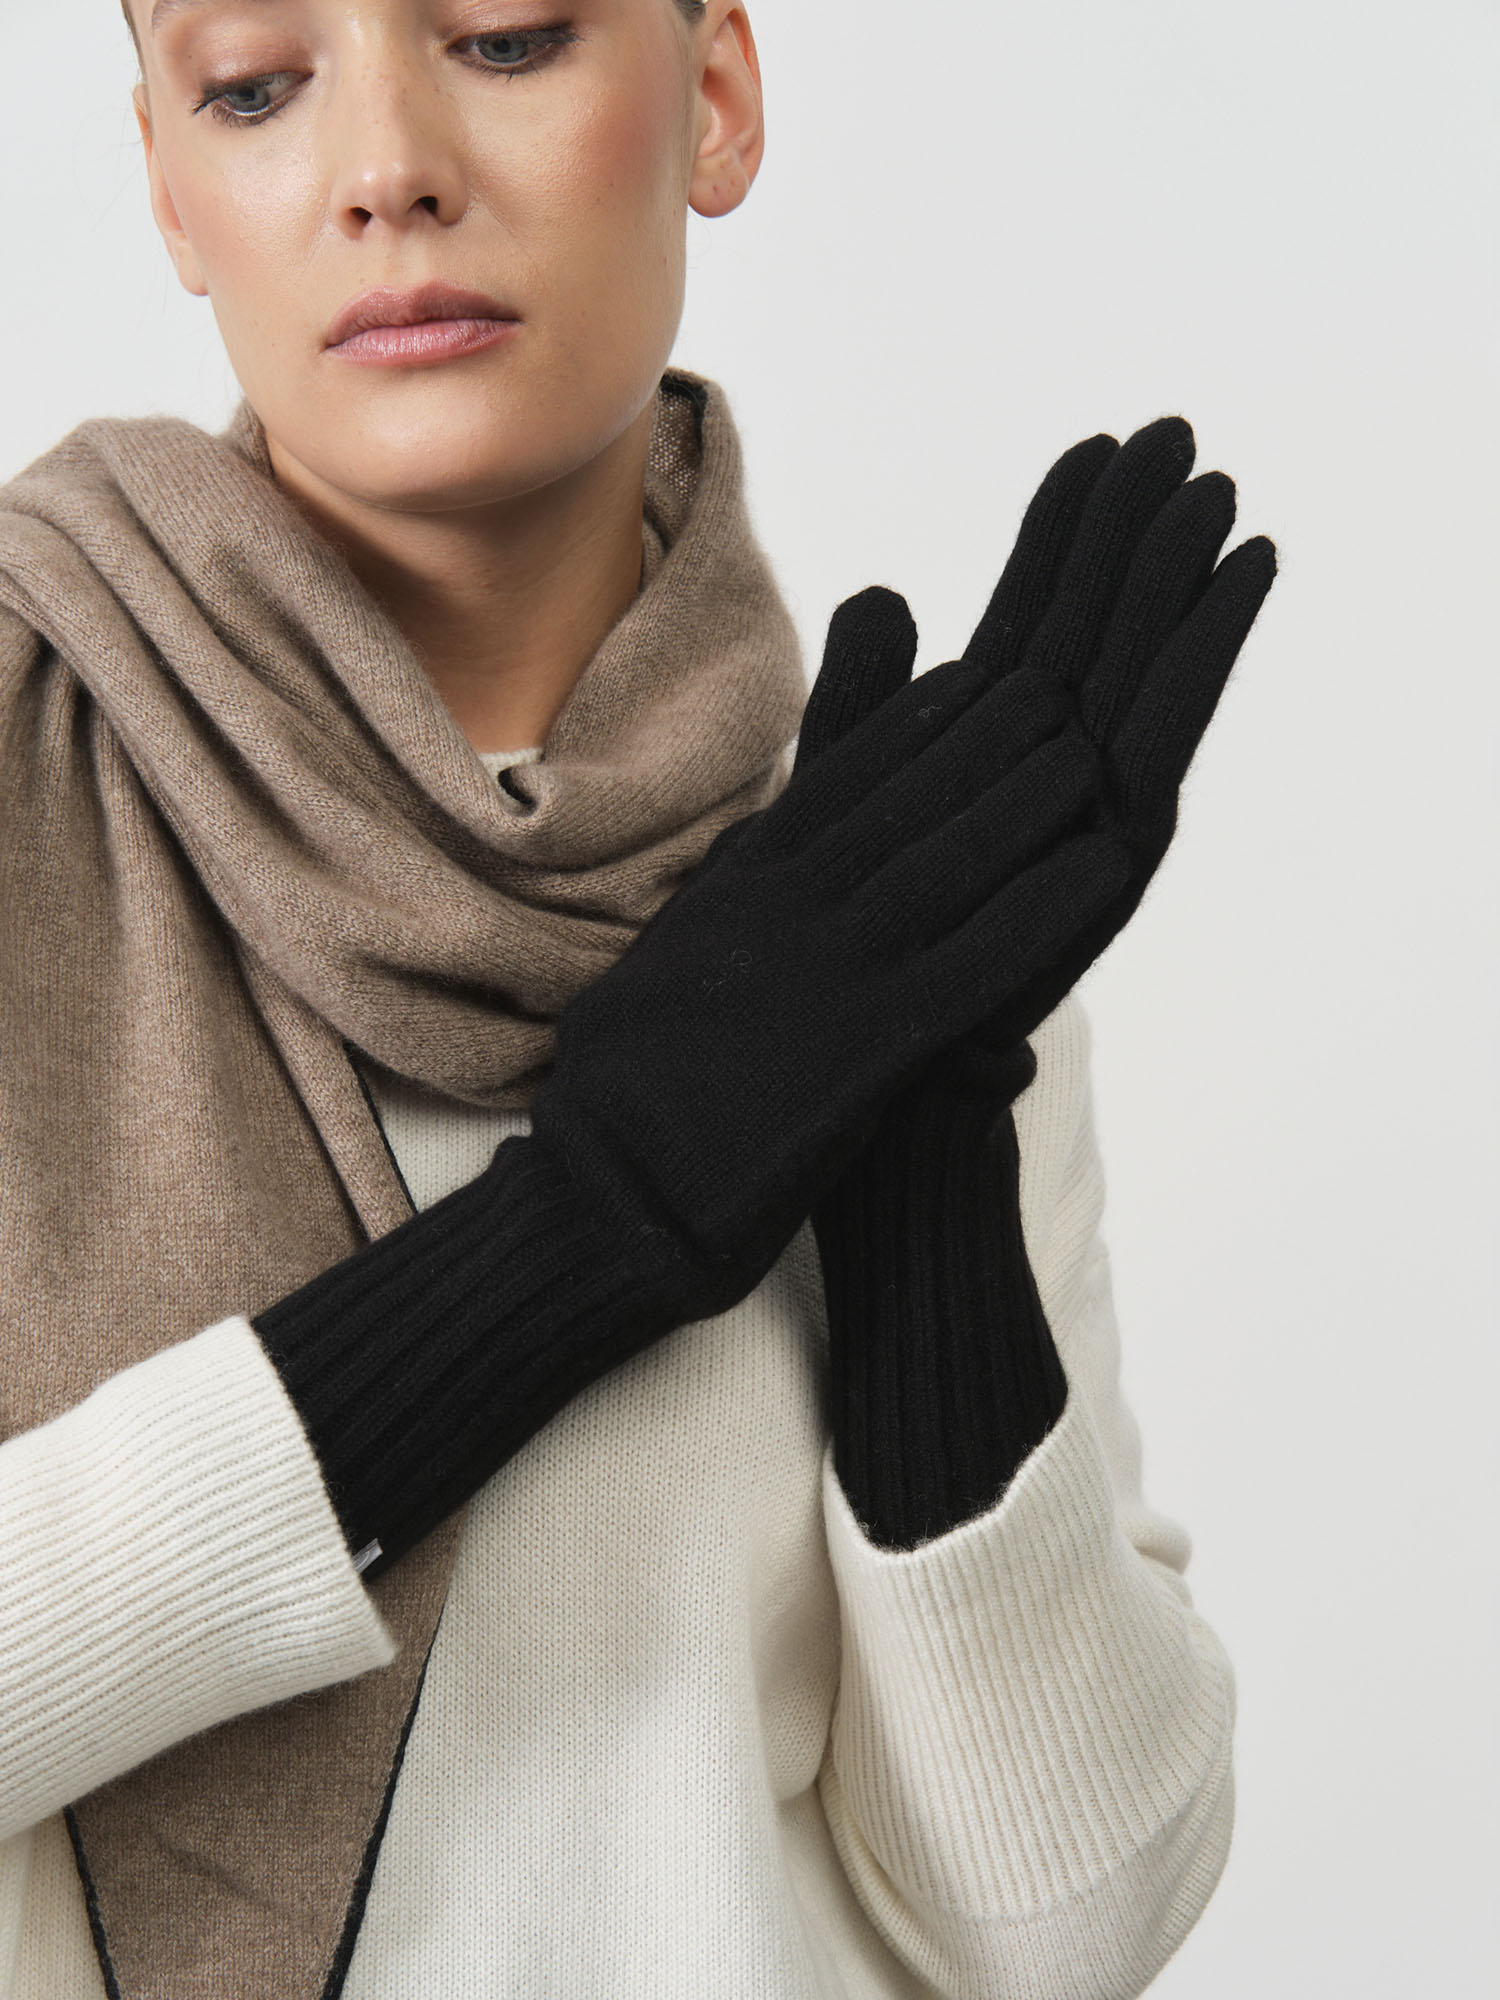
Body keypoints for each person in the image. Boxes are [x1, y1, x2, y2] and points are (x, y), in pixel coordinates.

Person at [0, 2, 1277, 1995]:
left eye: (505, 38)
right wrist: (578, 1240)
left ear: (717, 98)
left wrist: (922, 1184)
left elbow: (1063, 1927)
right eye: (255, 85)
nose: (387, 168)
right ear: (170, 182)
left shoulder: (873, 901)